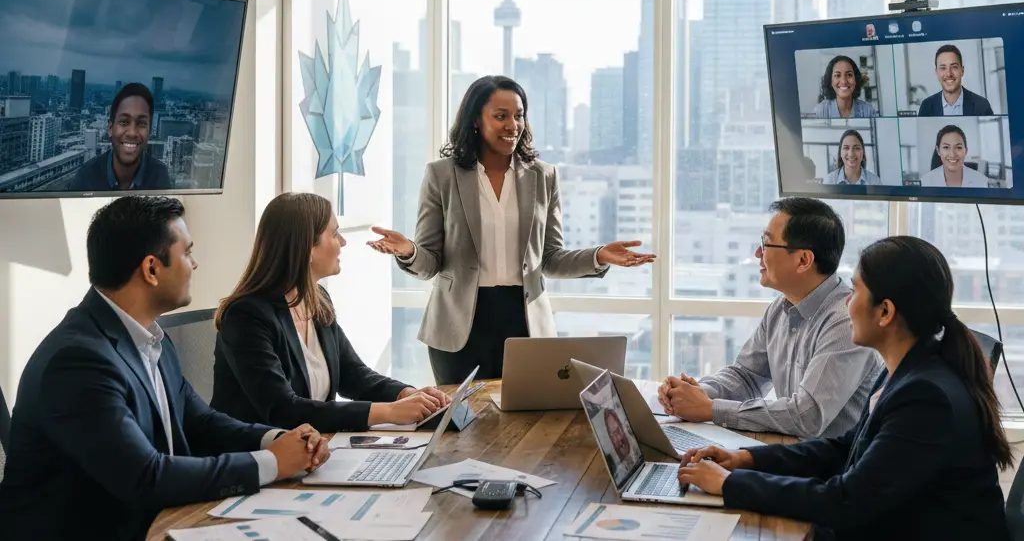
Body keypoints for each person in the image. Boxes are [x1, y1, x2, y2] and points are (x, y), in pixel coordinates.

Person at [0, 196, 330, 541]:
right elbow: (145, 477)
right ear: (152, 269)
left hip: (164, 522)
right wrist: (274, 463)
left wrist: (277, 439)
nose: (195, 264)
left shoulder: (151, 337)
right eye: (187, 253)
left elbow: (200, 421)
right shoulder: (77, 362)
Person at [676, 236, 1011, 541]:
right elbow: (844, 449)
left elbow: (846, 500)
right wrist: (745, 459)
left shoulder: (926, 397)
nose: (847, 302)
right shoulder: (907, 371)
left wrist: (727, 483)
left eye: (855, 291)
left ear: (885, 311)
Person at [367, 75, 655, 385]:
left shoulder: (544, 176)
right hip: (458, 328)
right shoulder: (442, 175)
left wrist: (599, 255)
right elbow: (430, 263)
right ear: (476, 119)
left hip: (525, 322)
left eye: (518, 116)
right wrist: (408, 251)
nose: (512, 125)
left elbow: (551, 259)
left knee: (528, 425)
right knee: (462, 428)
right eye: (501, 116)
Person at [212, 192, 451, 432]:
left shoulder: (317, 299)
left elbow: (352, 374)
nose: (343, 242)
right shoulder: (246, 316)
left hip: (314, 450)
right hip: (256, 458)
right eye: (335, 233)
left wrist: (407, 394)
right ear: (307, 246)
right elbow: (282, 409)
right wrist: (388, 412)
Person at [657, 198, 882, 438]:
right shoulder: (780, 308)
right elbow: (746, 376)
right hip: (792, 455)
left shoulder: (845, 322)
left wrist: (709, 409)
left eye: (766, 243)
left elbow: (808, 415)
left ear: (803, 260)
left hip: (831, 469)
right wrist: (697, 392)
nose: (757, 253)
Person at [68, 82, 173, 191]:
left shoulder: (159, 176)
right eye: (124, 122)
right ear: (110, 128)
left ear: (150, 131)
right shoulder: (86, 177)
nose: (132, 133)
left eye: (141, 123)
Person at [917, 44, 994, 117]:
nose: (949, 74)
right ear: (936, 72)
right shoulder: (926, 107)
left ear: (962, 71)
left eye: (954, 67)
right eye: (943, 68)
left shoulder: (981, 105)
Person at [919, 125, 990, 188]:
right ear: (938, 151)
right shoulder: (925, 182)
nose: (952, 155)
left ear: (966, 151)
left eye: (958, 147)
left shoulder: (983, 182)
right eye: (946, 147)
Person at [812, 56, 878, 119]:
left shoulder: (868, 110)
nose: (844, 81)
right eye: (837, 75)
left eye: (849, 75)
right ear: (830, 81)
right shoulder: (820, 110)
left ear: (856, 79)